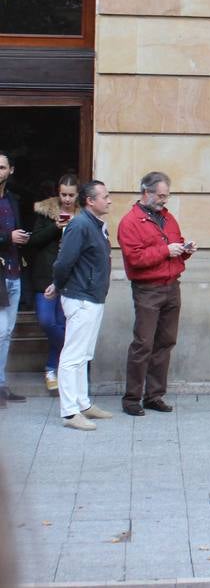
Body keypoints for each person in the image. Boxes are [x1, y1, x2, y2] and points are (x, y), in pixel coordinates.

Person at [118, 171, 195, 416]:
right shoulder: (130, 222)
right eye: (161, 195)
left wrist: (185, 249)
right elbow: (135, 258)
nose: (164, 200)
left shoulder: (168, 218)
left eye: (166, 196)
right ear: (146, 192)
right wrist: (165, 250)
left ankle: (154, 396)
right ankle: (131, 399)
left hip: (172, 286)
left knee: (165, 343)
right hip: (147, 289)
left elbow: (174, 246)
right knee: (143, 344)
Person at [47, 180, 115, 430]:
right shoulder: (79, 225)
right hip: (81, 298)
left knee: (83, 354)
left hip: (92, 297)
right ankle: (70, 412)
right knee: (72, 356)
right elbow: (64, 261)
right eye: (104, 196)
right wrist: (58, 283)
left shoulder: (95, 225)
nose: (108, 200)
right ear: (90, 200)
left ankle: (83, 404)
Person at [26, 174, 79, 392]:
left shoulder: (83, 215)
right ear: (58, 193)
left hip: (70, 280)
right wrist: (55, 227)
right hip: (45, 276)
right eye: (63, 194)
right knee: (47, 321)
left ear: (78, 195)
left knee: (62, 322)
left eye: (71, 195)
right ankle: (72, 356)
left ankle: (51, 368)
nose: (66, 199)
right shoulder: (45, 212)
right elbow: (33, 240)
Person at [0, 150, 27, 407]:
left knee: (7, 332)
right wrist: (8, 238)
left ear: (11, 171)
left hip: (14, 272)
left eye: (1, 167)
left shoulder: (12, 200)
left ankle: (1, 386)